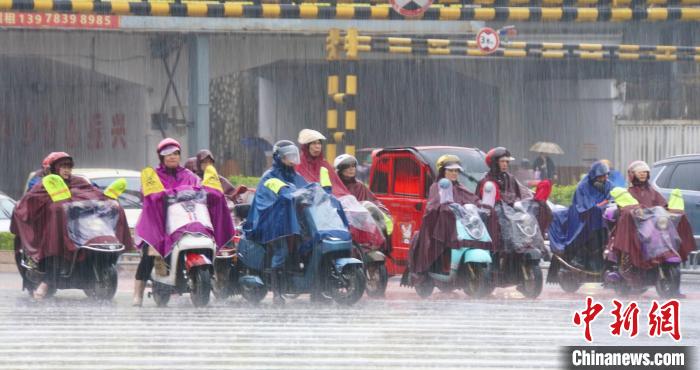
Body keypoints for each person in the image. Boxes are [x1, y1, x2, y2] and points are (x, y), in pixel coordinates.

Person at [11, 151, 132, 299]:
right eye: (63, 166)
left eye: (69, 166)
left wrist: (106, 199)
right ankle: (45, 284)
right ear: (52, 168)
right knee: (55, 249)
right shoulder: (41, 185)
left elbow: (94, 194)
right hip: (51, 233)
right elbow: (29, 205)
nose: (67, 170)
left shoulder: (80, 182)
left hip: (81, 231)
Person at [131, 138, 234, 306]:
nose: (172, 157)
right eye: (168, 154)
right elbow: (148, 194)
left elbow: (202, 191)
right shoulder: (153, 175)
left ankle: (214, 280)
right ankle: (138, 294)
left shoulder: (190, 176)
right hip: (160, 223)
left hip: (187, 220)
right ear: (161, 156)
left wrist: (209, 192)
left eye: (176, 153)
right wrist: (163, 195)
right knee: (150, 252)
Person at [244, 140, 308, 305]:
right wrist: (290, 200)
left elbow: (306, 191)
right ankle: (277, 293)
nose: (291, 159)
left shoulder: (296, 176)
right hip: (272, 223)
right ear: (279, 157)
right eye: (288, 156)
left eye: (294, 156)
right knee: (282, 251)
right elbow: (270, 203)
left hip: (293, 223)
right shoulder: (270, 177)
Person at [407, 155, 487, 281]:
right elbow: (433, 207)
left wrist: (482, 208)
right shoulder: (437, 186)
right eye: (451, 170)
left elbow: (473, 199)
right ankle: (439, 269)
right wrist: (445, 210)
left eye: (456, 171)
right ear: (443, 171)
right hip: (440, 225)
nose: (454, 173)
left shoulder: (461, 187)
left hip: (462, 224)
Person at [548, 161, 612, 272]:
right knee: (589, 227)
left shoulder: (608, 184)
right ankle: (580, 257)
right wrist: (600, 206)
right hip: (581, 217)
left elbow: (612, 198)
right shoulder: (583, 186)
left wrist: (604, 205)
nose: (605, 178)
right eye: (602, 176)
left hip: (603, 215)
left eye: (606, 175)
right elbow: (584, 206)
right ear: (594, 176)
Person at [334, 153, 393, 254]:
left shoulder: (360, 186)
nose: (351, 169)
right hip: (341, 225)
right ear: (340, 169)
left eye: (353, 166)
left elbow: (373, 201)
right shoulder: (335, 186)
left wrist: (381, 210)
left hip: (362, 225)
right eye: (347, 166)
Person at [295, 129, 350, 197]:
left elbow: (337, 187)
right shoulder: (299, 164)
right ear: (307, 146)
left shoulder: (324, 164)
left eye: (319, 143)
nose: (317, 146)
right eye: (314, 143)